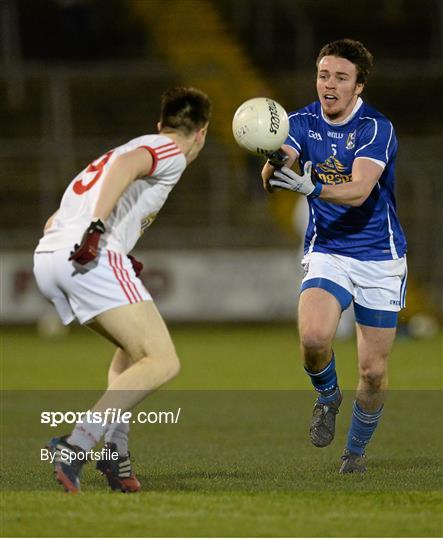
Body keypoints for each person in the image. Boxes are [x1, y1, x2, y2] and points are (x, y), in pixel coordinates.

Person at [33, 86, 212, 492]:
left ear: (159, 121)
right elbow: (131, 165)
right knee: (164, 361)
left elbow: (52, 223)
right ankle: (76, 445)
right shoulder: (169, 149)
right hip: (90, 254)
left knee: (133, 353)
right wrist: (97, 231)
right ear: (200, 132)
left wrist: (98, 238)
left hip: (50, 256)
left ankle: (116, 455)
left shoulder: (109, 155)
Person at [262, 39, 407, 473]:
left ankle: (355, 453)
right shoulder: (300, 122)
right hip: (328, 250)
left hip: (380, 257)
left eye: (341, 78)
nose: (329, 84)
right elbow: (276, 172)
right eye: (324, 75)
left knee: (373, 372)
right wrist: (273, 161)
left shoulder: (376, 128)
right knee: (313, 338)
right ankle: (327, 397)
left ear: (358, 86)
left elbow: (361, 190)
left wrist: (313, 188)